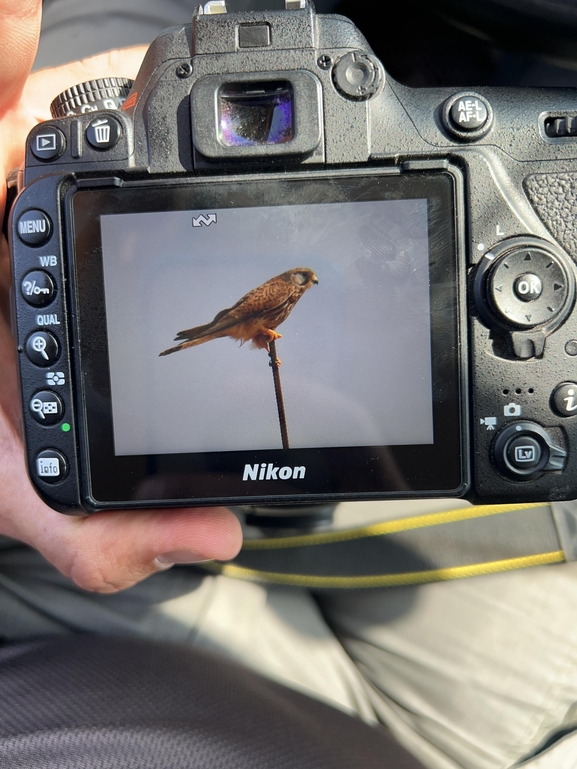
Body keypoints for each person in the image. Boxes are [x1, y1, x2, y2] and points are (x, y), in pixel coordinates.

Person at [3, 2, 577, 768]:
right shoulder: (272, 294)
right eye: (304, 278)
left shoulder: (290, 296)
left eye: (307, 278)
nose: (304, 285)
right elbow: (243, 316)